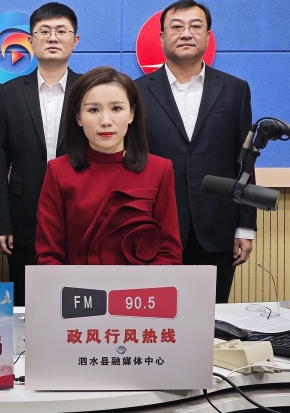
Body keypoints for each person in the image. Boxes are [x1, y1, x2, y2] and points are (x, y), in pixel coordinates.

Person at [134, 0, 256, 303]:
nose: (186, 33)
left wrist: (245, 226)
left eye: (195, 26)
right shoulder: (135, 91)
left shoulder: (235, 89)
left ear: (208, 35)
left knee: (211, 317)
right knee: (158, 315)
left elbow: (244, 163)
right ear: (161, 37)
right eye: (176, 27)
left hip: (217, 229)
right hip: (154, 230)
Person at [36, 67, 182, 266]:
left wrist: (141, 285)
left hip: (142, 285)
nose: (105, 121)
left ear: (131, 113)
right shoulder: (58, 171)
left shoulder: (160, 170)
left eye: (116, 109)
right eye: (93, 110)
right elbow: (48, 256)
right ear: (78, 117)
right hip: (78, 285)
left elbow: (169, 252)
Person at [0, 2, 83, 306]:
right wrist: (1, 222)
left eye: (61, 31)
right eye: (44, 31)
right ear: (30, 40)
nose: (52, 37)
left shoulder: (90, 89)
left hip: (82, 211)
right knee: (27, 300)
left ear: (75, 40)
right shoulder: (10, 92)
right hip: (23, 216)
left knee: (80, 297)